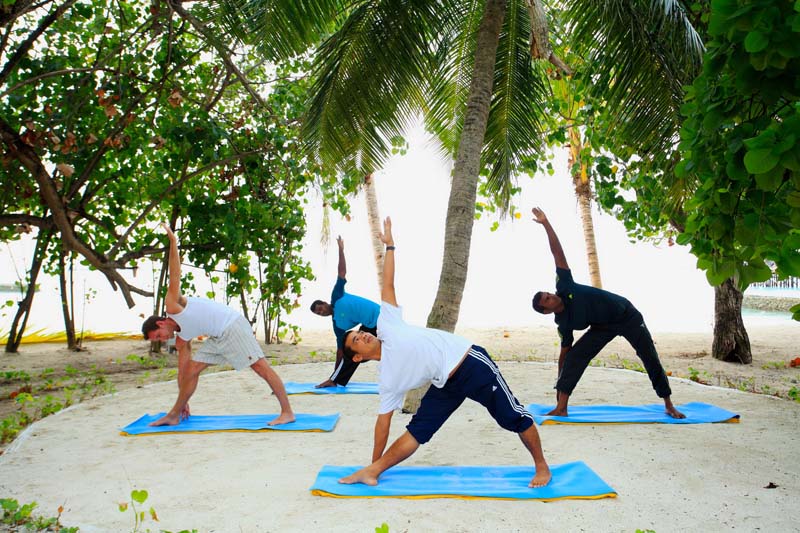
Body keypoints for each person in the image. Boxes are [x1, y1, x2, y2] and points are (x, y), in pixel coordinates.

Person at [338, 217, 551, 488]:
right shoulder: (388, 379)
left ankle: (542, 466)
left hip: (470, 364)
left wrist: (391, 247)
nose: (364, 334)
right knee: (418, 430)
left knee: (512, 416)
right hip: (444, 382)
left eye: (360, 332)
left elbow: (388, 285)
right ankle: (374, 471)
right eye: (357, 340)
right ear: (357, 357)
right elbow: (383, 423)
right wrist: (373, 462)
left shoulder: (387, 325)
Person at [530, 207, 685, 419]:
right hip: (602, 327)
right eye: (547, 299)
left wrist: (546, 223)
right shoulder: (563, 323)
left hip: (627, 316)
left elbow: (557, 253)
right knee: (576, 356)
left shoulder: (565, 286)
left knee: (649, 356)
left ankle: (668, 404)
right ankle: (562, 407)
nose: (551, 296)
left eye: (548, 293)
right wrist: (560, 384)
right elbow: (565, 355)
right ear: (547, 311)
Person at [141, 223, 295, 427]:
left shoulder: (173, 305)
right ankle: (174, 414)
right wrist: (183, 401)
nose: (163, 339)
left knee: (260, 368)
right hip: (218, 337)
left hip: (232, 327)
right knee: (192, 370)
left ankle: (287, 412)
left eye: (159, 335)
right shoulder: (182, 338)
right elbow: (183, 372)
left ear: (161, 322)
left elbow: (174, 275)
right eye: (159, 341)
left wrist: (173, 241)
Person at [310, 236, 380, 388]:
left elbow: (341, 272)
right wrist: (335, 373)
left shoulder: (337, 296)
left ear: (325, 302)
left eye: (320, 308)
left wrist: (341, 250)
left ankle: (335, 379)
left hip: (383, 316)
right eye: (318, 313)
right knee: (353, 351)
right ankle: (335, 380)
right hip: (370, 327)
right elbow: (340, 351)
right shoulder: (338, 325)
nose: (321, 312)